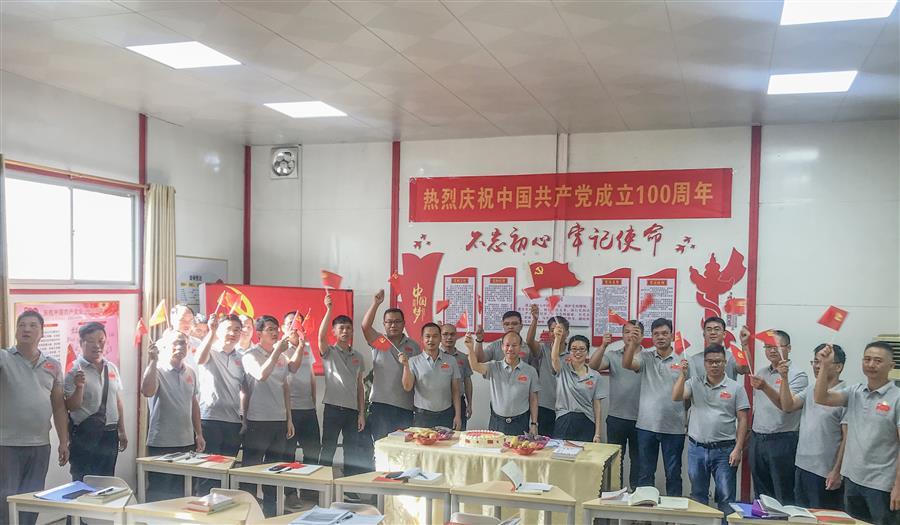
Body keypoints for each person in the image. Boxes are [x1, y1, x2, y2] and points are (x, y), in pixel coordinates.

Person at [815, 342, 899, 525]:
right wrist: (824, 366)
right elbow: (821, 397)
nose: (871, 364)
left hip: (882, 485)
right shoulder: (855, 392)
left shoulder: (897, 398)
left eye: (878, 361)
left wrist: (898, 487)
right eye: (867, 359)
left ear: (891, 366)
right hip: (852, 480)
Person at [0, 311, 69, 525]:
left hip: (40, 445)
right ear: (16, 331)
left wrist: (64, 441)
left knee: (32, 499)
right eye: (21, 325)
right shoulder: (3, 358)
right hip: (6, 444)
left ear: (42, 333)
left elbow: (59, 407)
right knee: (5, 500)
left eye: (32, 325)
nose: (26, 329)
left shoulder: (53, 365)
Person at [673, 344, 749, 516]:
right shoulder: (694, 382)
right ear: (704, 363)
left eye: (718, 361)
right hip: (697, 449)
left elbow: (743, 419)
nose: (714, 365)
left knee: (726, 497)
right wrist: (682, 375)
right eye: (710, 361)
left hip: (725, 450)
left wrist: (738, 449)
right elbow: (676, 396)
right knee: (698, 495)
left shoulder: (736, 388)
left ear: (725, 362)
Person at [777, 344, 848, 510]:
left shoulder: (845, 395)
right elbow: (787, 405)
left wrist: (837, 471)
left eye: (822, 362)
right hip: (802, 466)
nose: (817, 366)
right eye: (815, 361)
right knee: (801, 516)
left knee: (823, 517)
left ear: (838, 367)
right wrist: (784, 378)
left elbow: (847, 438)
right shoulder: (811, 389)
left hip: (825, 472)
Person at [623, 318, 687, 496]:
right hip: (646, 426)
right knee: (645, 473)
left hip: (674, 428)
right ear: (651, 337)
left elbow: (689, 393)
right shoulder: (646, 357)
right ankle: (645, 510)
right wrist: (632, 343)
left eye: (665, 333)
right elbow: (627, 364)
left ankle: (673, 512)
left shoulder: (683, 360)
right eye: (656, 334)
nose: (660, 337)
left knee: (673, 474)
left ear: (672, 336)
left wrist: (686, 419)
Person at [140, 331, 205, 501]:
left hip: (186, 441)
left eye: (183, 343)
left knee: (183, 491)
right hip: (162, 442)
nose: (180, 347)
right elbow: (147, 391)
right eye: (175, 343)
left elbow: (194, 404)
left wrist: (199, 433)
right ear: (163, 346)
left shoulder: (191, 371)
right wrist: (153, 361)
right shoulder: (157, 369)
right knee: (160, 491)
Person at [241, 315, 295, 517]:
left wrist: (289, 418)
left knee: (274, 467)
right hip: (258, 419)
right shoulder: (250, 355)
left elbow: (285, 387)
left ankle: (271, 511)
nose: (275, 332)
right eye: (270, 329)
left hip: (279, 419)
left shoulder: (282, 357)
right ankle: (248, 510)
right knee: (251, 467)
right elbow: (261, 375)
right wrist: (277, 353)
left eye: (276, 329)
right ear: (259, 333)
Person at [747, 329, 807, 504]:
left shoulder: (798, 375)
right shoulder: (762, 373)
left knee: (783, 493)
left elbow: (786, 406)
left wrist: (765, 387)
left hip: (782, 441)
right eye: (767, 346)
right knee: (761, 494)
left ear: (788, 348)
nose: (772, 350)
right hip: (758, 439)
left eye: (776, 346)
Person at [64, 322, 127, 481]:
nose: (97, 345)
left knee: (106, 481)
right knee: (83, 481)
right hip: (86, 435)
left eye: (101, 341)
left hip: (110, 434)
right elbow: (71, 406)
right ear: (81, 343)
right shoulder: (74, 370)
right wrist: (79, 387)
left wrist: (122, 430)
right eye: (91, 341)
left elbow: (118, 401)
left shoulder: (111, 367)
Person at [588, 321, 643, 489]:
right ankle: (615, 493)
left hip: (642, 420)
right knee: (615, 460)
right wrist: (603, 346)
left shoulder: (648, 357)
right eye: (627, 332)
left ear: (641, 336)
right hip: (616, 418)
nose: (630, 335)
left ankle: (636, 494)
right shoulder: (613, 355)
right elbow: (593, 366)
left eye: (635, 332)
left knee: (639, 461)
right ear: (622, 335)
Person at [361, 290, 421, 441]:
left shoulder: (413, 346)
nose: (393, 325)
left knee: (403, 447)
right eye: (389, 322)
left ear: (404, 324)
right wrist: (376, 303)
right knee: (381, 445)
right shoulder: (379, 341)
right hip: (381, 405)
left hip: (405, 407)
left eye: (397, 321)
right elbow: (365, 327)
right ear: (384, 324)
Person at [318, 295, 366, 476]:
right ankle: (322, 483)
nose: (345, 331)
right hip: (333, 409)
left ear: (352, 331)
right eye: (341, 328)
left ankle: (349, 484)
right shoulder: (329, 352)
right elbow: (320, 336)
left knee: (352, 449)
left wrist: (361, 413)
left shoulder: (358, 357)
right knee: (328, 448)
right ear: (334, 332)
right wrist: (329, 309)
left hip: (352, 412)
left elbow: (360, 387)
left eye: (348, 328)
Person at [467, 328, 539, 436]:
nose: (510, 349)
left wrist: (534, 424)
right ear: (502, 347)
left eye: (514, 345)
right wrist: (470, 348)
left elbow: (533, 399)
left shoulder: (530, 371)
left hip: (520, 421)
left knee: (518, 446)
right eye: (507, 345)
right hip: (497, 421)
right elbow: (475, 366)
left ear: (520, 347)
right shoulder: (493, 367)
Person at [195, 315, 245, 461]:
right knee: (209, 467)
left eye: (237, 330)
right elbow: (199, 359)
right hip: (210, 419)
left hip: (234, 421)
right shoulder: (210, 350)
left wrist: (244, 419)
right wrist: (211, 331)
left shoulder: (241, 357)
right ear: (218, 330)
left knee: (228, 466)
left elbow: (245, 390)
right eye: (228, 329)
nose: (233, 333)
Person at [401, 323, 461, 429]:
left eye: (435, 336)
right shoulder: (413, 361)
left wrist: (458, 415)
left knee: (447, 440)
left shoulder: (451, 360)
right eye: (427, 336)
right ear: (422, 339)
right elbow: (407, 387)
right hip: (422, 416)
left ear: (440, 338)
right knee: (422, 440)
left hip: (446, 414)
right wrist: (406, 366)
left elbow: (456, 390)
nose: (431, 340)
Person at [548, 326, 604, 442]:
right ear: (569, 352)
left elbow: (597, 406)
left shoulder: (595, 376)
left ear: (587, 352)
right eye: (574, 349)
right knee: (561, 452)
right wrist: (557, 338)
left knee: (585, 453)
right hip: (564, 419)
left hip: (587, 421)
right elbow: (554, 358)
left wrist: (597, 433)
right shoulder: (562, 370)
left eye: (582, 349)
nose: (578, 352)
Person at [283, 311, 320, 465]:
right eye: (290, 323)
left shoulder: (307, 347)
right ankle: (288, 482)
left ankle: (309, 482)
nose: (294, 327)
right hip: (289, 410)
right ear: (283, 327)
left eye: (297, 323)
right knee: (287, 454)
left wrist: (313, 402)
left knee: (313, 451)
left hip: (308, 408)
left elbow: (311, 375)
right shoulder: (279, 348)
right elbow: (292, 366)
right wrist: (300, 345)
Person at [525, 304, 568, 437]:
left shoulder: (573, 352)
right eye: (552, 330)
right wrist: (535, 319)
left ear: (567, 333)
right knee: (544, 443)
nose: (556, 333)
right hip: (544, 406)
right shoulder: (543, 349)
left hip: (566, 408)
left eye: (559, 330)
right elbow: (529, 341)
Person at [440, 324, 473, 429]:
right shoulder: (435, 356)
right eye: (445, 334)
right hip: (440, 402)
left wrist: (469, 404)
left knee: (459, 434)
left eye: (452, 334)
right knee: (440, 436)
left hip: (459, 402)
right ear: (440, 336)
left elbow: (467, 381)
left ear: (456, 336)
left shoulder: (463, 357)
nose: (449, 337)